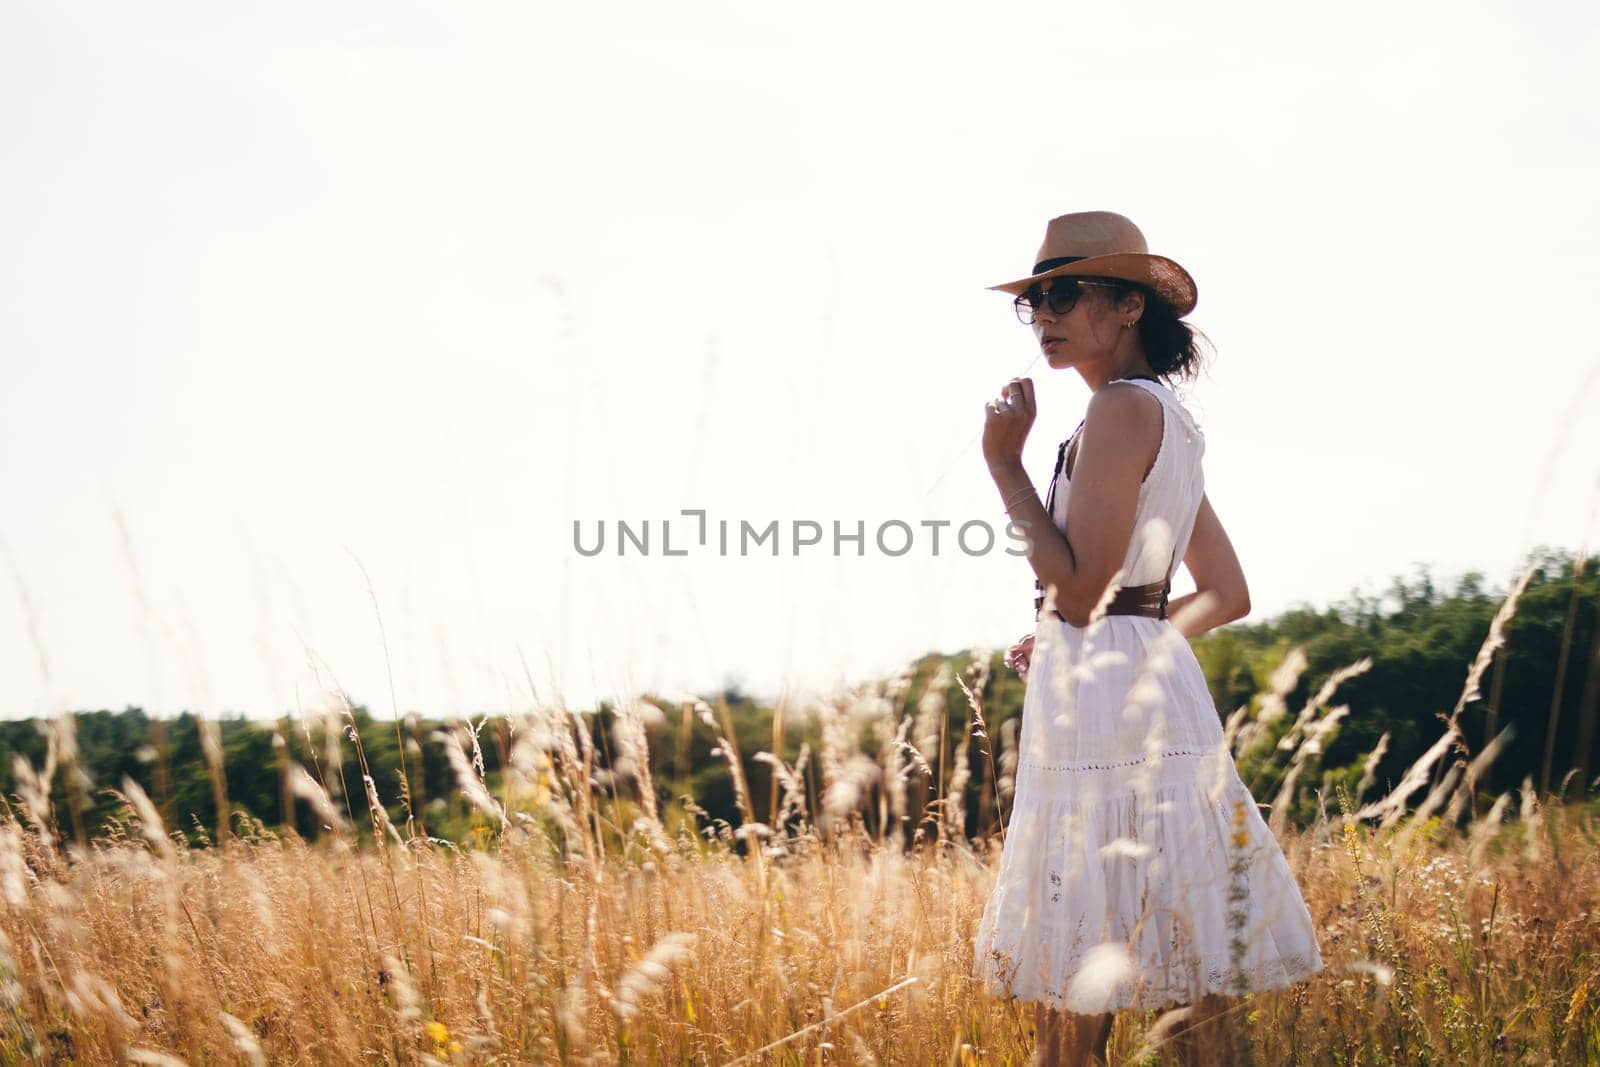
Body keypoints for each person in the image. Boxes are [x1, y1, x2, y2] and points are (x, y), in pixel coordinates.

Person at [972, 211, 1324, 1066]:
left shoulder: (1119, 413)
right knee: (1189, 990)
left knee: (1075, 1010)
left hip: (1103, 713)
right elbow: (1223, 594)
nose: (1045, 314)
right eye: (1034, 301)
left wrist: (1005, 466)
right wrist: (1080, 629)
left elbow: (1086, 590)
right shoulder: (1165, 417)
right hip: (1151, 693)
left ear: (1130, 306)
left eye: (1065, 293)